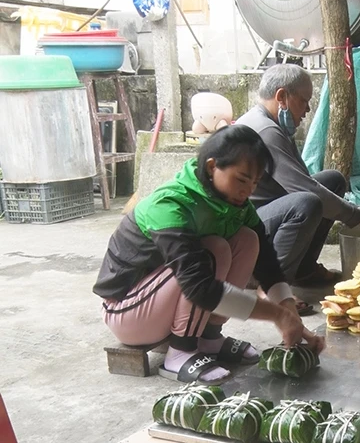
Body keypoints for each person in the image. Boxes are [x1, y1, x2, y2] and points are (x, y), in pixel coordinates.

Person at [93, 125, 324, 385]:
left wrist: (292, 317)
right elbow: (199, 287)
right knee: (210, 254)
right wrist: (277, 315)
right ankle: (180, 352)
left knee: (247, 239)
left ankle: (209, 338)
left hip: (163, 305)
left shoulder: (235, 205)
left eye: (254, 182)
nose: (248, 190)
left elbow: (268, 265)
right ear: (213, 167)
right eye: (241, 179)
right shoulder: (169, 204)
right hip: (128, 313)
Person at [236, 64, 360, 311]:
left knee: (333, 180)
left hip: (263, 213)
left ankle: (303, 269)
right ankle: (270, 287)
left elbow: (305, 181)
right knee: (307, 203)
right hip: (243, 228)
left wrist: (355, 212)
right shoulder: (266, 131)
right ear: (281, 96)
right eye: (304, 101)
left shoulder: (271, 123)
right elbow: (303, 188)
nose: (308, 109)